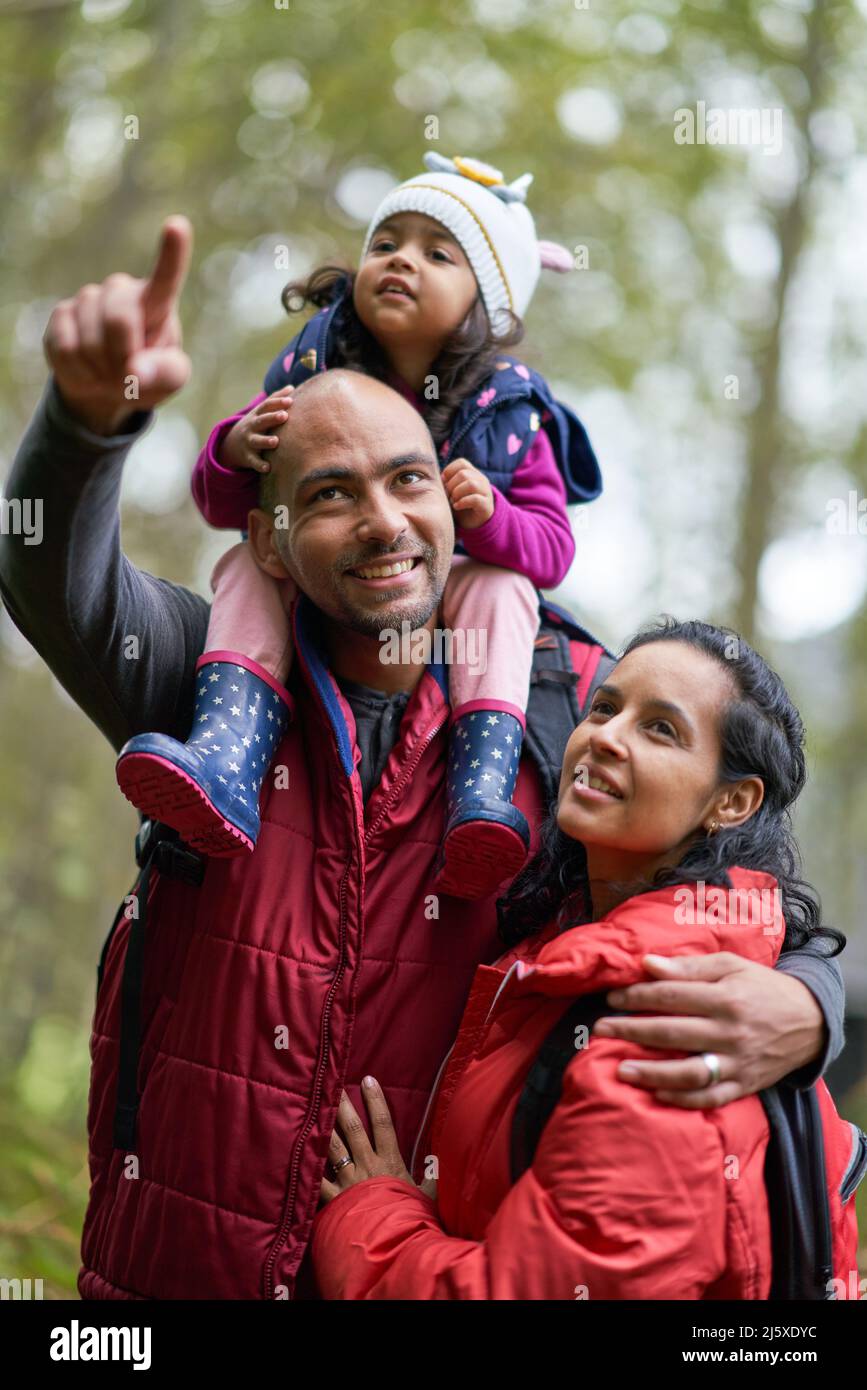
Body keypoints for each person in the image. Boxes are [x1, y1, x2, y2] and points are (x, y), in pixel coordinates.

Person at [0, 220, 847, 1301]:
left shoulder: (569, 708)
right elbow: (45, 578)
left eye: (408, 480)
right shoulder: (203, 676)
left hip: (387, 1272)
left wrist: (813, 1001)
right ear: (268, 542)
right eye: (329, 493)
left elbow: (739, 868)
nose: (382, 522)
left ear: (454, 497)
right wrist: (85, 422)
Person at [310, 620, 863, 1299]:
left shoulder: (668, 1023)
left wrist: (372, 1211)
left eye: (660, 729)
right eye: (604, 707)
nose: (604, 735)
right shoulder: (564, 940)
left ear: (731, 801)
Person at [114, 151, 603, 900]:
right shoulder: (314, 367)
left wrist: (492, 517)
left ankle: (480, 794)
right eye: (386, 243)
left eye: (437, 253)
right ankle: (227, 757)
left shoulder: (508, 411)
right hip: (336, 589)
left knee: (502, 585)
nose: (401, 260)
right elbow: (224, 509)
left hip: (446, 594)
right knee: (251, 559)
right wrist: (234, 449)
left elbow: (551, 550)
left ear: (487, 302)